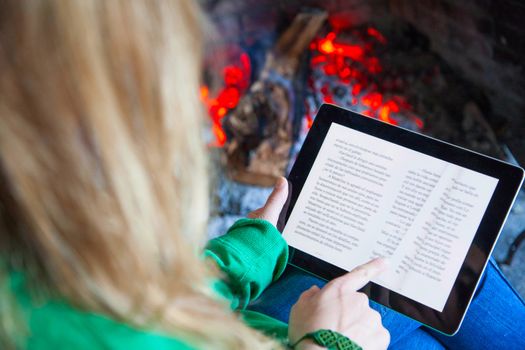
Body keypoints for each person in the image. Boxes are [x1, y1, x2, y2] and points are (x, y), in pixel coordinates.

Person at [0, 1, 523, 349]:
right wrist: (327, 345)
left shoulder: (52, 258)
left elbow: (160, 305)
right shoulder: (49, 328)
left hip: (259, 324)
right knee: (438, 275)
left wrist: (242, 254)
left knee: (446, 265)